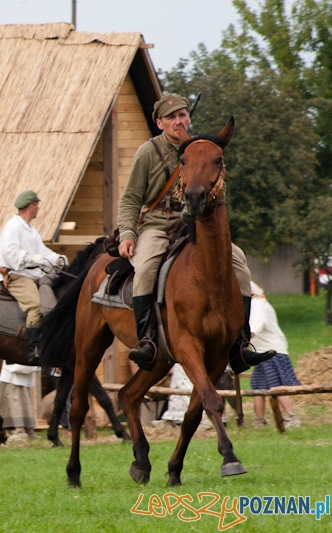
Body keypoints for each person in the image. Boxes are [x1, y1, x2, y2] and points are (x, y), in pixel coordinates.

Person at [116, 93, 275, 373]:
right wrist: (128, 234)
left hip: (193, 224)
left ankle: (240, 344)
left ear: (189, 118)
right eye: (171, 117)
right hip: (156, 225)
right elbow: (130, 199)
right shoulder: (147, 153)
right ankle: (147, 341)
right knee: (147, 268)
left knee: (240, 265)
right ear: (159, 123)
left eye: (182, 115)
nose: (178, 121)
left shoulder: (200, 150)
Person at [0, 190, 68, 361]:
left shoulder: (32, 231)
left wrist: (56, 258)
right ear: (31, 206)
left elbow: (42, 252)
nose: (38, 209)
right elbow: (9, 252)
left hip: (34, 275)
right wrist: (31, 258)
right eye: (37, 205)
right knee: (35, 305)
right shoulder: (13, 226)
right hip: (18, 276)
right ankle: (34, 349)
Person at [249, 282, 301, 428]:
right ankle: (259, 420)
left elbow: (256, 327)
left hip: (272, 352)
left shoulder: (258, 306)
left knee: (276, 386)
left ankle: (291, 417)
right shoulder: (254, 305)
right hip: (261, 353)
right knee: (257, 387)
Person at [0, 361, 38, 442]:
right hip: (18, 371)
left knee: (14, 400)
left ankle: (20, 430)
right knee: (24, 400)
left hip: (12, 373)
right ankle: (28, 429)